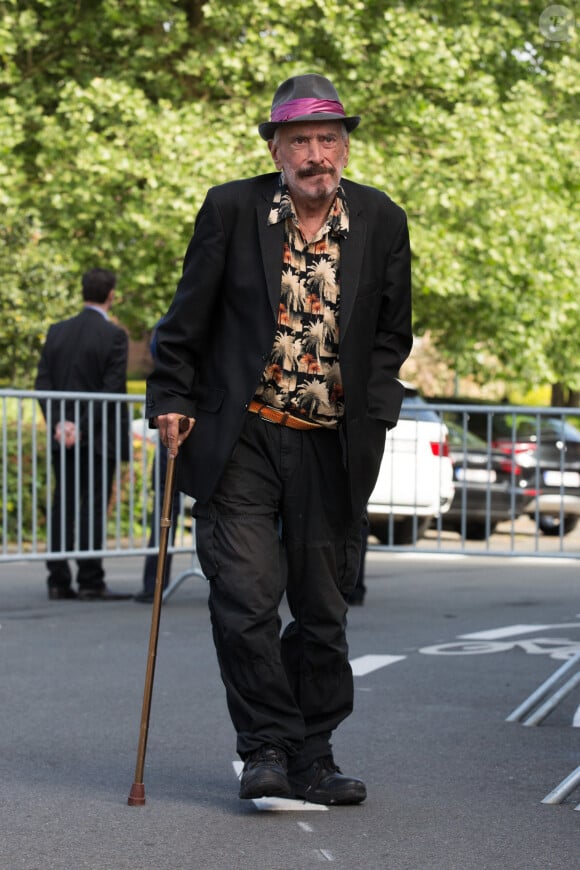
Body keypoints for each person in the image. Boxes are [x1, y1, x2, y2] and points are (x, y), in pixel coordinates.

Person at [146, 73, 412, 805]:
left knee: (323, 612)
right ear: (274, 146)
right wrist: (170, 397)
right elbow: (185, 320)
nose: (315, 153)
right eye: (300, 140)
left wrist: (378, 410)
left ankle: (313, 754)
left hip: (333, 442)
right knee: (245, 596)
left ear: (345, 147)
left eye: (328, 138)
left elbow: (392, 333)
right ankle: (265, 744)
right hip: (243, 438)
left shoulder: (383, 221)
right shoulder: (231, 210)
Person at [35, 268, 132, 601]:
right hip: (97, 439)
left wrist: (61, 423)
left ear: (82, 292)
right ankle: (91, 579)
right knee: (92, 506)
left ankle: (58, 580)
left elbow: (43, 383)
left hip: (63, 437)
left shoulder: (56, 331)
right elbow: (110, 389)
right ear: (111, 295)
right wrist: (83, 427)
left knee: (63, 503)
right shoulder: (114, 336)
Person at [135, 322, 181, 604]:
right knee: (165, 507)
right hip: (182, 422)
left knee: (165, 506)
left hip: (181, 421)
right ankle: (154, 582)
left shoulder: (166, 325)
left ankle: (153, 583)